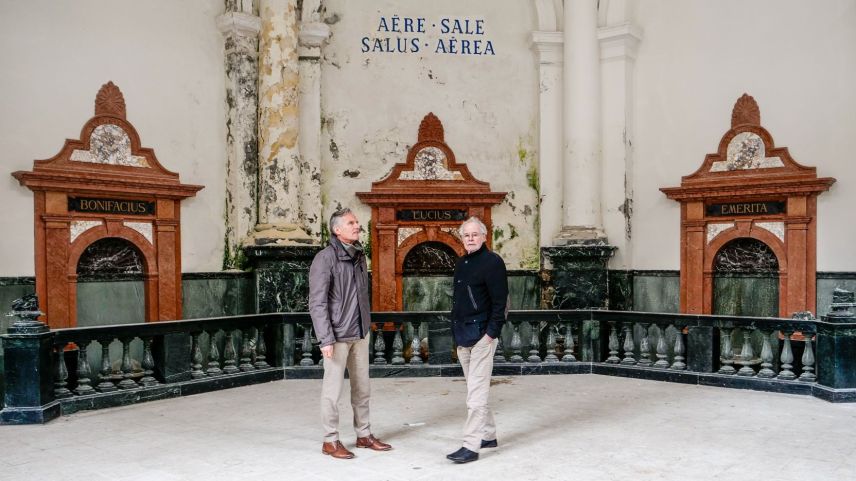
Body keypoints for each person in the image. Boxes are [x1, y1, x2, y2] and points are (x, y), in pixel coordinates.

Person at [309, 207, 392, 459]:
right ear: (337, 230)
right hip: (336, 336)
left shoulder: (359, 255)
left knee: (362, 388)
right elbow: (317, 302)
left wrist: (365, 327)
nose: (357, 226)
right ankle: (330, 440)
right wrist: (325, 339)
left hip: (360, 333)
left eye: (356, 222)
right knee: (332, 392)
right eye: (351, 223)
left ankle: (364, 435)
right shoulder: (324, 258)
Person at [446, 216, 508, 464]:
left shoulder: (493, 262)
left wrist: (491, 334)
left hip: (482, 336)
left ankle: (470, 446)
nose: (470, 238)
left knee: (475, 396)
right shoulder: (462, 263)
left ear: (484, 236)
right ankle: (488, 436)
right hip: (463, 336)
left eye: (475, 234)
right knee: (476, 390)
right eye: (466, 235)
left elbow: (500, 303)